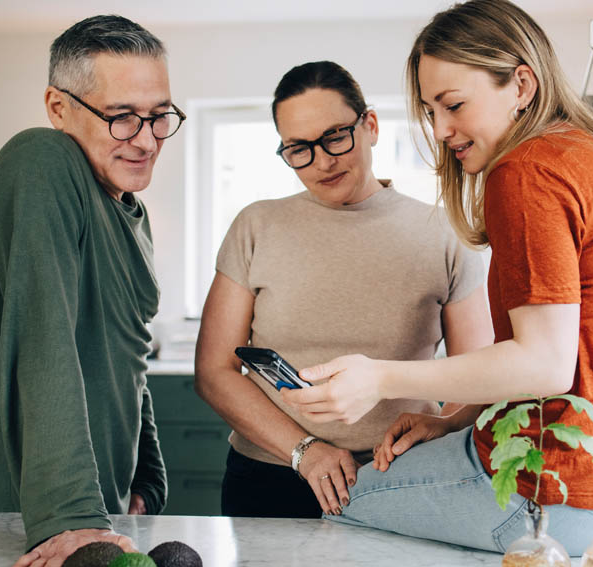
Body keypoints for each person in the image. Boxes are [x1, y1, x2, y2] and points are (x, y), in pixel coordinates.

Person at [281, 0, 593, 556]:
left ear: (521, 84)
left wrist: (379, 378)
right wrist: (459, 419)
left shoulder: (525, 171)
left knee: (345, 503)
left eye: (453, 105)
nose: (442, 130)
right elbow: (573, 351)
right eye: (432, 112)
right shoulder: (588, 154)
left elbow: (544, 365)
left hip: (560, 495)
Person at [0, 15, 185, 567]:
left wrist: (145, 476)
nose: (145, 139)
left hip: (93, 521)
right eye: (121, 116)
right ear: (59, 107)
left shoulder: (129, 212)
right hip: (12, 522)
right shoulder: (41, 161)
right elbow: (44, 341)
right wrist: (71, 516)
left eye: (159, 115)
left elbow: (126, 353)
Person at [194, 60, 493, 519]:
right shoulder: (256, 225)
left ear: (369, 125)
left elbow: (477, 375)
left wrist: (441, 423)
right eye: (299, 148)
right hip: (272, 477)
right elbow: (215, 371)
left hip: (401, 476)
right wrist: (305, 451)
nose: (322, 160)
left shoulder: (443, 232)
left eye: (335, 136)